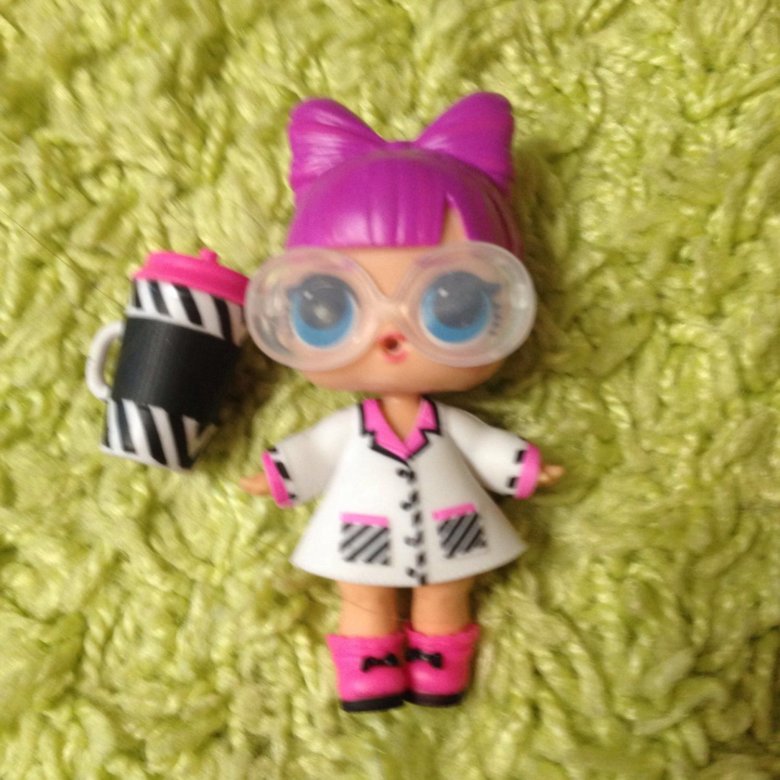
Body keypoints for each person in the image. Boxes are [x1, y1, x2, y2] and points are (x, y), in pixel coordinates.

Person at [241, 93, 563, 711]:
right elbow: (317, 451)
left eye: (453, 303)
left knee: (447, 592)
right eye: (332, 306)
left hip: (450, 527)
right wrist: (278, 473)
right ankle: (369, 665)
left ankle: (442, 661)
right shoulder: (352, 427)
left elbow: (482, 447)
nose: (391, 333)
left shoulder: (448, 424)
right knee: (363, 596)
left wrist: (523, 467)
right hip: (364, 532)